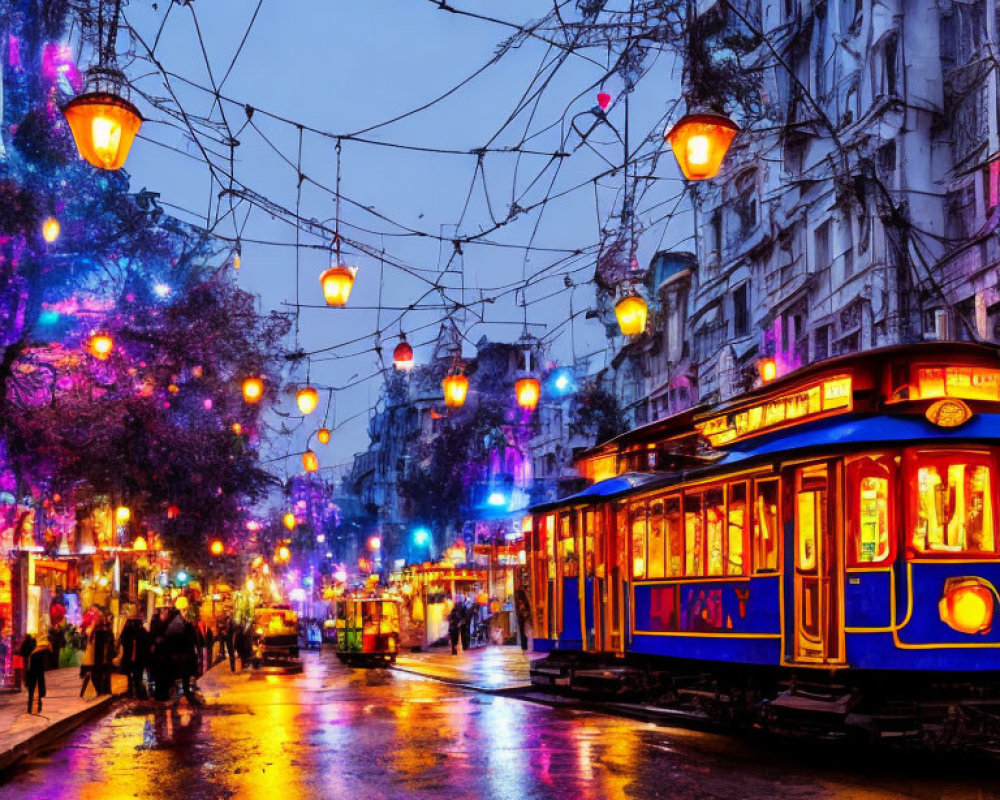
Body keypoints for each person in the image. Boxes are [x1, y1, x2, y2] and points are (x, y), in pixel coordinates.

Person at [164, 608, 201, 705]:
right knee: (185, 677)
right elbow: (195, 642)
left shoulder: (172, 628)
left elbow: (170, 642)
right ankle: (186, 694)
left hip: (179, 656)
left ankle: (178, 695)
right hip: (186, 656)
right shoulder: (187, 627)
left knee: (179, 677)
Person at [119, 612, 150, 699]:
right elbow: (146, 641)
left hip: (130, 655)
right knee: (137, 676)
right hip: (138, 657)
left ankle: (130, 691)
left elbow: (122, 639)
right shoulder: (140, 629)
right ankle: (137, 692)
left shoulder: (128, 627)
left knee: (130, 675)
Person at [25, 633, 49, 714]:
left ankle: (33, 708)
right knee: (35, 694)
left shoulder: (34, 653)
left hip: (33, 677)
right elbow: (38, 668)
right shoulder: (37, 655)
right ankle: (33, 709)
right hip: (35, 678)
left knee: (33, 694)